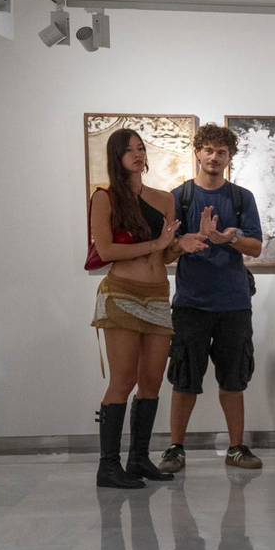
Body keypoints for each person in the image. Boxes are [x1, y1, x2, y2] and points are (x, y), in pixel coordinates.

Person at [156, 123, 266, 474]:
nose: (214, 157)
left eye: (222, 152)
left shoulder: (241, 197)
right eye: (209, 150)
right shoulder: (178, 198)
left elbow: (257, 247)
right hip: (190, 303)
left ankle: (236, 447)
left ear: (229, 157)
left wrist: (227, 239)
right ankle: (175, 448)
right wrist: (185, 241)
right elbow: (164, 254)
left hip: (234, 303)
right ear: (197, 153)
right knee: (184, 378)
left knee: (234, 379)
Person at [89, 128, 181, 489]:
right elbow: (107, 252)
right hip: (122, 293)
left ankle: (139, 459)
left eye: (141, 148)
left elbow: (166, 252)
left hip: (158, 295)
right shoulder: (105, 197)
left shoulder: (164, 199)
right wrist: (156, 244)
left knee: (152, 382)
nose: (137, 154)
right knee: (123, 380)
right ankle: (108, 466)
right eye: (129, 150)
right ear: (116, 156)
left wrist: (183, 244)